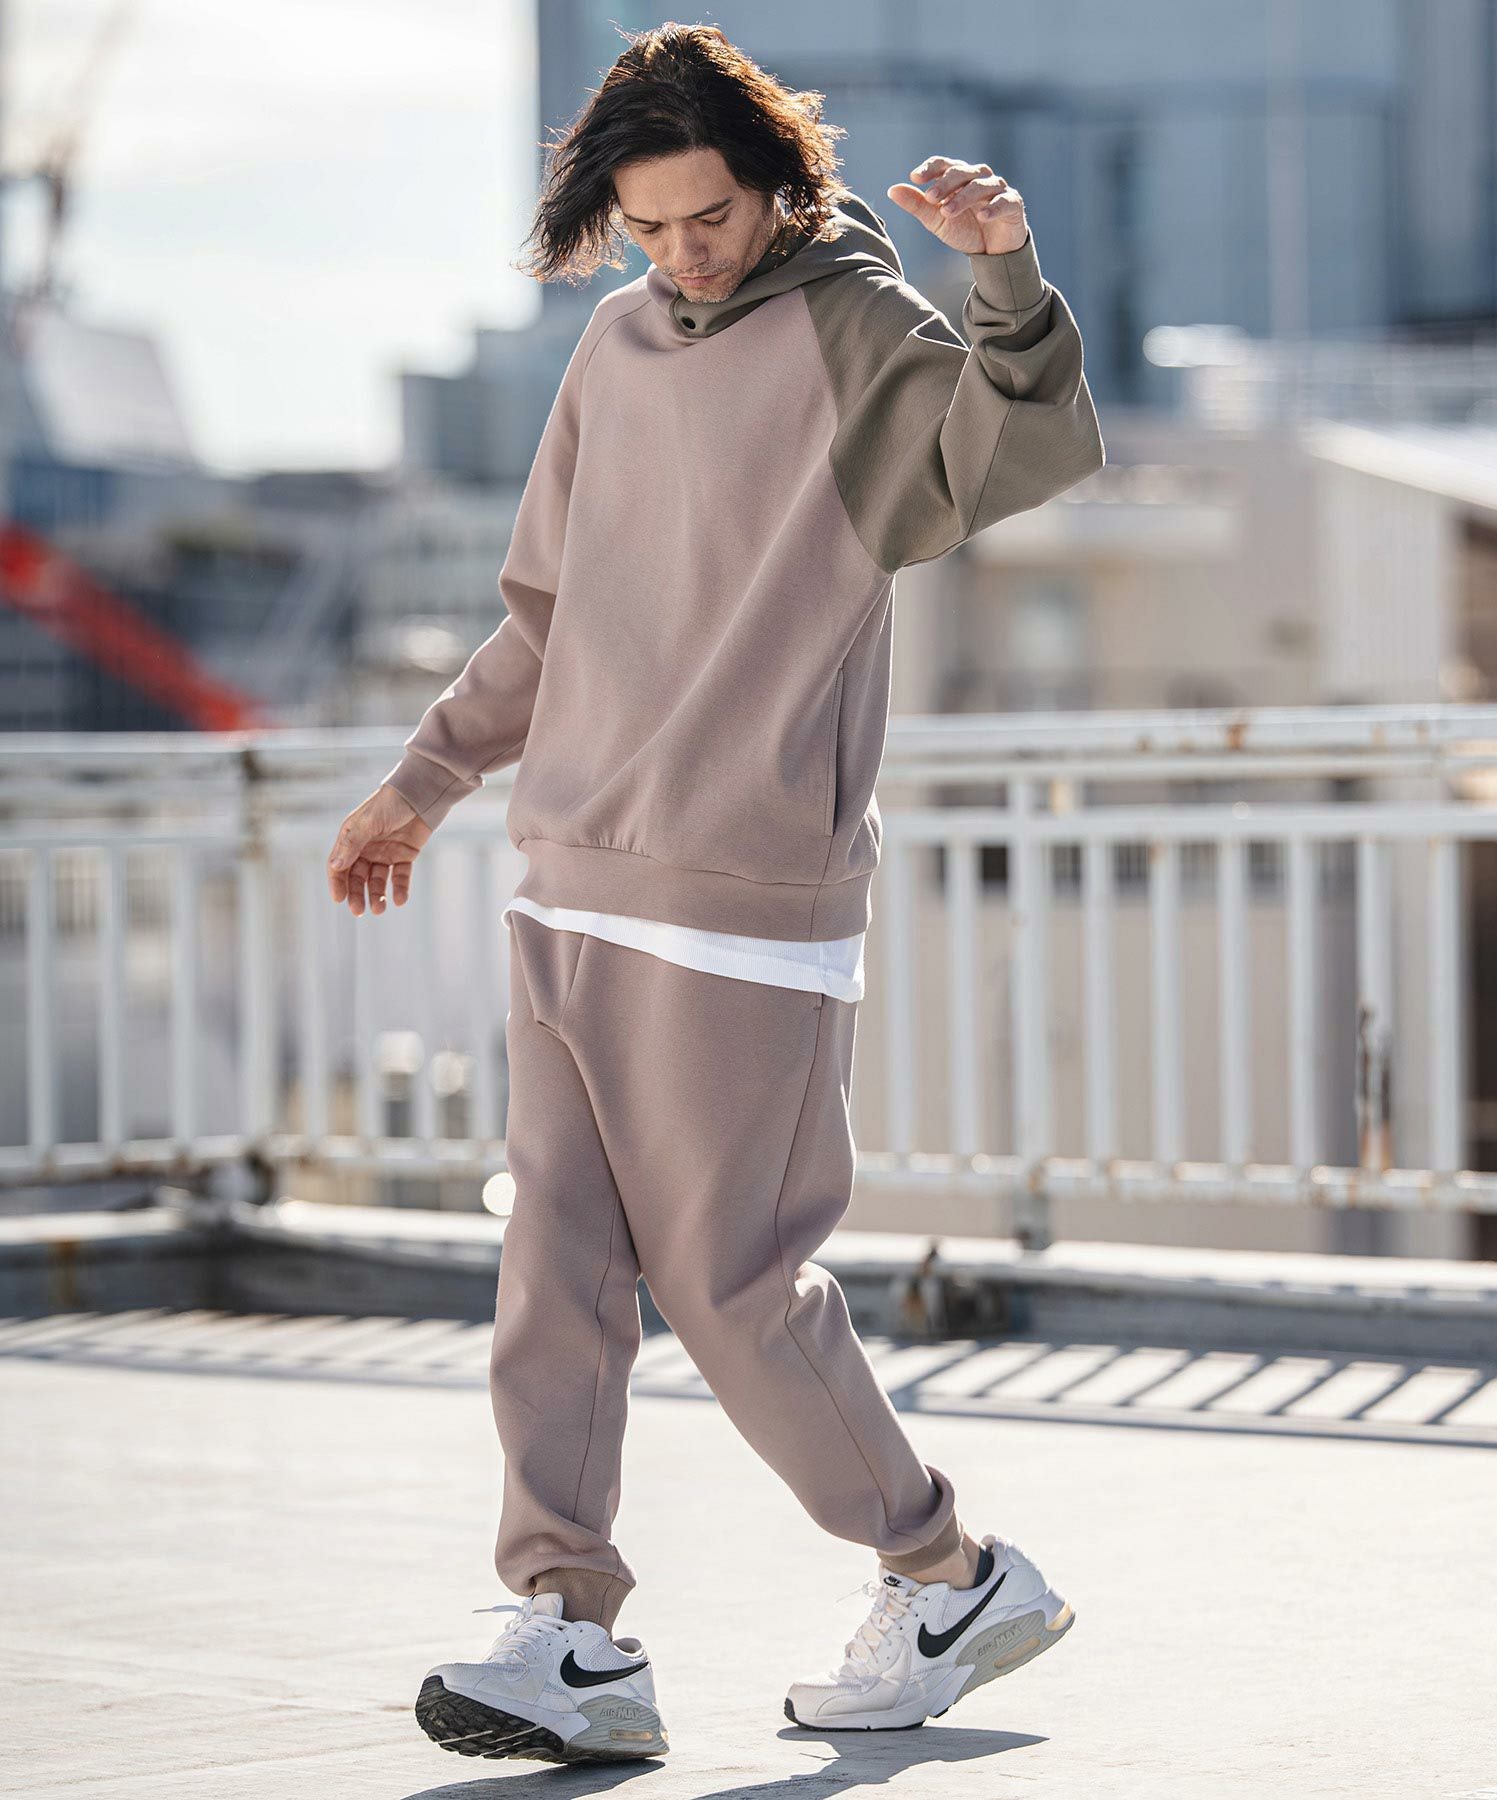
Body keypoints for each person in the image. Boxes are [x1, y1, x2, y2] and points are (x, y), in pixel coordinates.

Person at [327, 21, 1102, 1767]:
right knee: (553, 1268)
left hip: (744, 893)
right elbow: (546, 619)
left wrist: (1001, 274)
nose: (684, 253)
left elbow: (1017, 447)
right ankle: (570, 1633)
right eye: (650, 225)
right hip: (570, 874)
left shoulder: (855, 330)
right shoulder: (612, 347)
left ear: (779, 188)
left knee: (733, 1282)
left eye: (713, 217)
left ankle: (949, 1575)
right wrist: (423, 781)